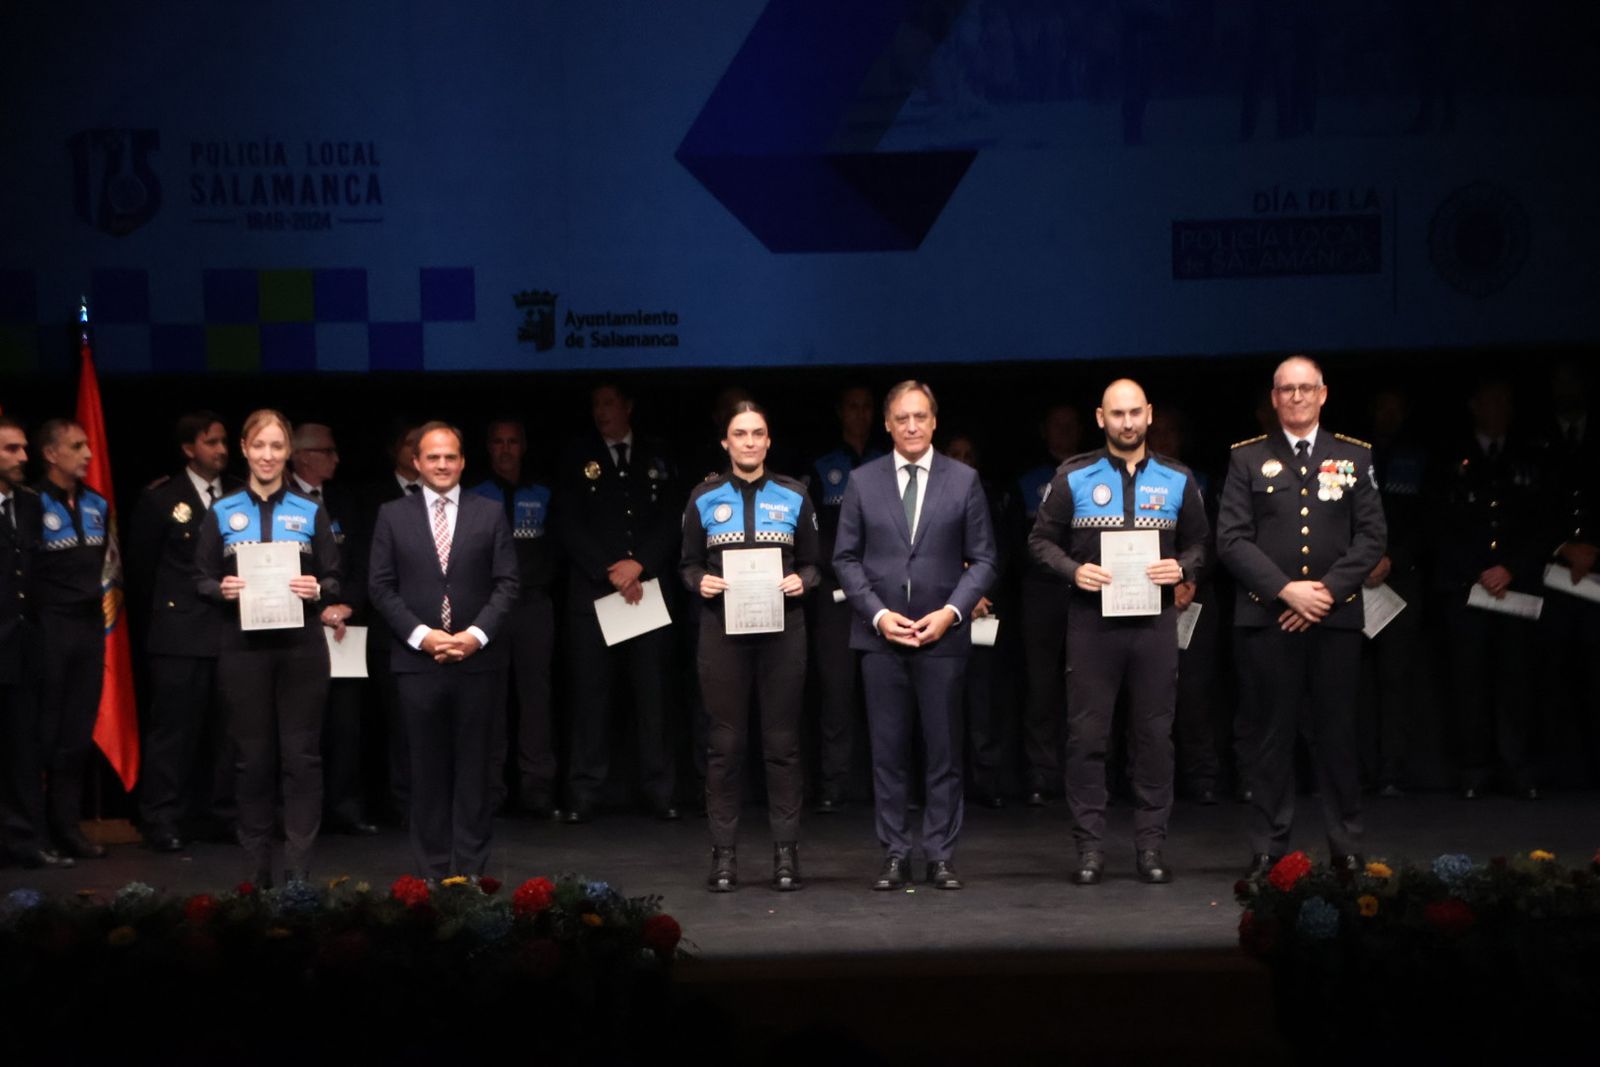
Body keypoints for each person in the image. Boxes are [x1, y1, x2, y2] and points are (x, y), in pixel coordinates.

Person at [1028, 380, 1209, 884]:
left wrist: (1183, 568)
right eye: (1117, 414)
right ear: (1100, 418)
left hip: (1153, 623)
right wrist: (1072, 570)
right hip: (1092, 622)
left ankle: (1150, 847)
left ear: (1149, 415)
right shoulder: (1075, 475)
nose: (1127, 423)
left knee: (1153, 736)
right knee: (1087, 737)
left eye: (1135, 413)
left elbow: (1201, 543)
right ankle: (1090, 848)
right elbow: (1040, 541)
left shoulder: (1177, 478)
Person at [1218, 357, 1386, 877]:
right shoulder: (1247, 458)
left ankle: (1347, 843)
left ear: (1323, 394)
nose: (1295, 397)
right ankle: (1269, 845)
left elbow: (1372, 537)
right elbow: (1231, 538)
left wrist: (1326, 593)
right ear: (1273, 398)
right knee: (1271, 735)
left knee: (1337, 734)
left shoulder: (1353, 456)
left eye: (1305, 389)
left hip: (1333, 620)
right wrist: (1287, 591)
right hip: (1269, 619)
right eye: (1286, 390)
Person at [833, 380, 998, 891]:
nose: (911, 426)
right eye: (902, 418)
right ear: (887, 423)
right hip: (881, 638)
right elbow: (844, 558)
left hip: (941, 636)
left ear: (934, 421)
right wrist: (879, 615)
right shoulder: (862, 482)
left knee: (944, 751)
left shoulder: (963, 479)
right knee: (887, 753)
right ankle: (894, 853)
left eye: (920, 417)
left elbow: (987, 559)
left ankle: (941, 854)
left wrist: (952, 612)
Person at [196, 410, 341, 886]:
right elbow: (198, 576)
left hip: (300, 649)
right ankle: (256, 872)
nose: (267, 455)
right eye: (259, 446)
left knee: (301, 759)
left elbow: (335, 575)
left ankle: (299, 870)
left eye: (277, 447)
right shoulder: (221, 512)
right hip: (242, 649)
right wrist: (222, 589)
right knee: (252, 761)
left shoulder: (310, 510)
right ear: (243, 447)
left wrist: (317, 588)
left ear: (289, 453)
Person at [368, 421, 518, 878]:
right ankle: (433, 871)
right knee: (426, 774)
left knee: (476, 772)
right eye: (433, 457)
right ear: (416, 462)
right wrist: (422, 636)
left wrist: (474, 636)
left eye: (450, 456)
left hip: (478, 662)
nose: (442, 465)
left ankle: (472, 869)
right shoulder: (392, 515)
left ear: (463, 461)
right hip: (418, 663)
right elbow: (380, 586)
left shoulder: (489, 512)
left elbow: (508, 584)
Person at [681, 402, 820, 891]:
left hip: (783, 633)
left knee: (782, 747)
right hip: (722, 634)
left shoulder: (795, 495)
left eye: (758, 433)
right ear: (726, 442)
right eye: (739, 434)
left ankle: (786, 854)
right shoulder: (703, 497)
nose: (749, 442)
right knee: (725, 747)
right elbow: (687, 565)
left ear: (768, 441)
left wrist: (803, 581)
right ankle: (724, 856)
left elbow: (814, 564)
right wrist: (699, 581)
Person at [558, 383, 682, 824]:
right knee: (591, 697)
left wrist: (641, 563)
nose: (601, 412)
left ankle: (658, 789)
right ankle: (586, 790)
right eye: (595, 404)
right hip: (596, 594)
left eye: (609, 403)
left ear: (628, 406)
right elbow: (567, 522)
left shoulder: (657, 454)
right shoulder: (576, 456)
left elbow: (673, 517)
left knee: (653, 696)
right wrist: (608, 569)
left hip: (645, 590)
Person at [129, 411, 238, 852]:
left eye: (224, 441)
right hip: (177, 636)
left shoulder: (237, 496)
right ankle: (161, 818)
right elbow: (141, 573)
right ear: (189, 449)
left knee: (226, 734)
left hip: (230, 633)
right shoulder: (161, 499)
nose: (222, 450)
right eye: (212, 442)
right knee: (174, 733)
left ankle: (218, 815)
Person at [1430, 379, 1542, 799]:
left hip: (1515, 586)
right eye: (1489, 401)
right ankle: (1473, 768)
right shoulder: (1449, 457)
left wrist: (1510, 567)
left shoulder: (1529, 454)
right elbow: (1437, 521)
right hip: (1467, 586)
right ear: (1474, 406)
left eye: (1504, 402)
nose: (1496, 409)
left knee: (1516, 679)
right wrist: (1478, 569)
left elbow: (1540, 520)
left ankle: (1518, 767)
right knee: (1468, 682)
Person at [468, 418, 561, 818]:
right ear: (488, 448)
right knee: (489, 700)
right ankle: (488, 792)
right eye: (498, 442)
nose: (505, 449)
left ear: (523, 447)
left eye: (512, 442)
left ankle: (538, 791)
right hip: (487, 609)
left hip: (533, 605)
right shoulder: (473, 496)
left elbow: (557, 547)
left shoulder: (542, 492)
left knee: (536, 701)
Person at [289, 422, 377, 836]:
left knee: (347, 723)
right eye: (328, 451)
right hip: (300, 625)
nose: (336, 459)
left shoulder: (345, 500)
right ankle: (302, 812)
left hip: (345, 628)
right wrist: (319, 608)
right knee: (303, 725)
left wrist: (347, 604)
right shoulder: (283, 501)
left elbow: (363, 561)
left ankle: (346, 806)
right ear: (303, 456)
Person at [31, 418, 110, 861]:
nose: (88, 454)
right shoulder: (30, 503)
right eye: (77, 446)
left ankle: (68, 827)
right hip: (48, 627)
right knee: (43, 733)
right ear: (51, 453)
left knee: (77, 735)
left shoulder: (98, 503)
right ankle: (34, 830)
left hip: (88, 627)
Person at [807, 384, 883, 813]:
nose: (860, 414)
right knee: (836, 692)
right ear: (840, 412)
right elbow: (813, 532)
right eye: (852, 406)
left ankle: (885, 782)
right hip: (836, 595)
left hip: (884, 596)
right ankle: (834, 782)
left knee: (884, 693)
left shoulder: (887, 463)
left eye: (866, 406)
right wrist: (849, 571)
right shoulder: (823, 466)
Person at [0, 417, 69, 869]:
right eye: (11, 449)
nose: (23, 457)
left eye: (25, 448)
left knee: (24, 749)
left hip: (23, 647)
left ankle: (25, 840)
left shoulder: (27, 504)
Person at [1013, 402, 1083, 806]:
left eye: (1071, 424)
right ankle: (1041, 774)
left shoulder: (1092, 477)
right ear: (1044, 430)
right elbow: (1019, 543)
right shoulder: (1029, 480)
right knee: (1041, 689)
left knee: (1086, 689)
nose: (1064, 431)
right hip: (1040, 592)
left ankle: (1087, 775)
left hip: (1086, 591)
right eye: (1057, 424)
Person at [359, 423, 422, 826]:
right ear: (396, 450)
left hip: (443, 631)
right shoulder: (373, 501)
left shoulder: (451, 500)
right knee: (398, 724)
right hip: (391, 629)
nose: (420, 452)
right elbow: (371, 571)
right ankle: (403, 804)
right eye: (412, 443)